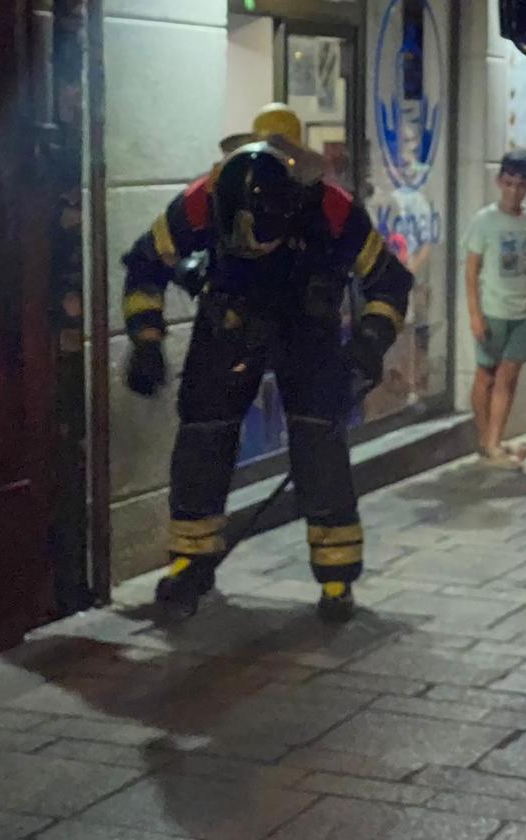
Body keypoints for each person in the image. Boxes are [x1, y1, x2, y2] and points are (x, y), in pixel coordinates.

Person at [121, 106, 413, 623]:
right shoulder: (203, 198)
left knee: (318, 442)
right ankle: (190, 563)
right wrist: (146, 339)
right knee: (203, 435)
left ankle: (336, 577)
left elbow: (390, 281)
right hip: (229, 322)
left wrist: (368, 344)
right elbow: (147, 261)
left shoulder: (333, 209)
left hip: (307, 326)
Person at [464, 150, 526, 469]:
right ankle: (487, 439)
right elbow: (471, 269)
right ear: (500, 182)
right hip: (493, 308)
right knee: (486, 374)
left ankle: (494, 440)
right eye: (509, 183)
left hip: (524, 310)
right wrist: (475, 313)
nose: (514, 190)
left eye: (521, 184)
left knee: (509, 377)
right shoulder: (484, 221)